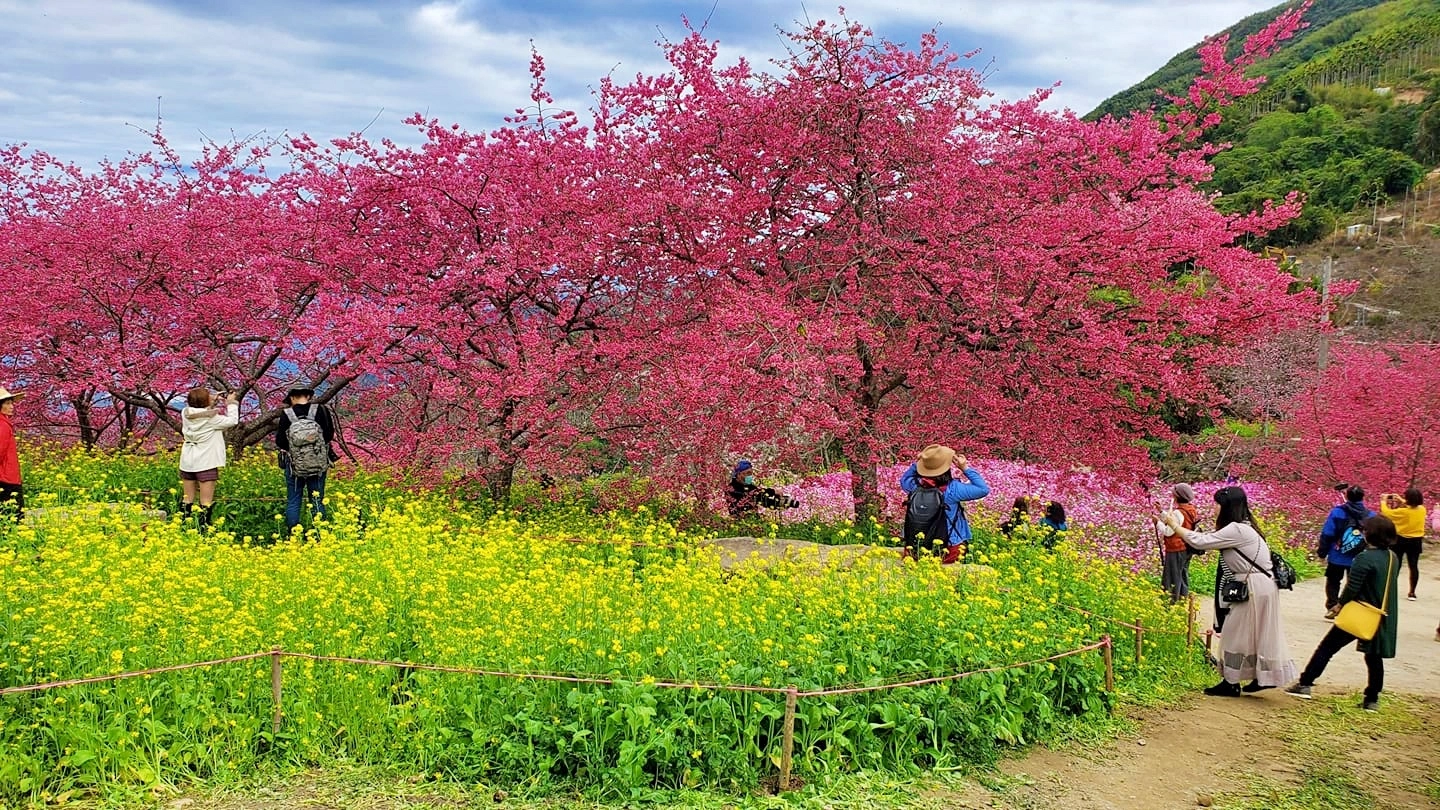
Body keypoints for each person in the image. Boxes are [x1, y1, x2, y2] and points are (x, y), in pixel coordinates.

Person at [1162, 485, 1297, 696]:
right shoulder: (1246, 526)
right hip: (1262, 586)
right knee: (1256, 634)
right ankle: (1262, 677)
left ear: (1227, 507)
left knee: (1234, 632)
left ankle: (1231, 682)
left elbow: (1201, 541)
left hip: (1253, 587)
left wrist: (1173, 525)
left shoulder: (1237, 529)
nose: (1214, 508)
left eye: (1217, 504)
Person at [1286, 515, 1401, 711]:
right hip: (1379, 614)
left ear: (1369, 534)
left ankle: (1305, 683)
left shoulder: (1364, 558)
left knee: (1327, 648)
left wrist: (1339, 605)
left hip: (1360, 612)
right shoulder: (1392, 557)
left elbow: (1352, 587)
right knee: (1373, 656)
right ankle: (1372, 699)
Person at [899, 445, 990, 564]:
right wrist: (964, 467)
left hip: (915, 550)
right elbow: (983, 489)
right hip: (947, 551)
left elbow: (904, 479)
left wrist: (923, 462)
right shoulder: (953, 490)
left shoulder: (914, 486)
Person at [179, 387, 240, 529]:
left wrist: (211, 401)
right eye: (209, 395)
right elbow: (232, 421)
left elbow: (199, 412)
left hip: (187, 461)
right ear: (205, 401)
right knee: (206, 501)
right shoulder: (212, 419)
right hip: (206, 462)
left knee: (187, 498)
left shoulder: (185, 413)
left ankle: (183, 526)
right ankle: (203, 527)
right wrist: (231, 404)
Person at [275, 387, 336, 531]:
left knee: (294, 500)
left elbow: (280, 442)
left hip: (295, 465)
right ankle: (320, 535)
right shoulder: (321, 410)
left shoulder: (286, 414)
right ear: (308, 396)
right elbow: (328, 435)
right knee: (317, 499)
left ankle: (294, 536)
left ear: (291, 398)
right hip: (318, 463)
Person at [1318, 486, 1375, 620]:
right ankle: (1349, 608)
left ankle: (1332, 606)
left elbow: (1327, 533)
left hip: (1337, 554)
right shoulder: (1371, 515)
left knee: (1333, 581)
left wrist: (1322, 552)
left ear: (1348, 497)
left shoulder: (1338, 512)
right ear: (1363, 497)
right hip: (1359, 556)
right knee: (1354, 583)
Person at [1156, 483, 1201, 603]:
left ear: (1176, 496)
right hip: (1186, 547)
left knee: (1172, 575)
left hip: (1176, 548)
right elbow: (1174, 521)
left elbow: (1168, 531)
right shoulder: (1191, 509)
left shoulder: (1178, 512)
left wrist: (1157, 523)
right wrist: (1161, 512)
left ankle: (1170, 601)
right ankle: (1182, 598)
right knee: (1182, 573)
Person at [1379, 487, 1425, 602]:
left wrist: (1383, 501)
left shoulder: (1403, 512)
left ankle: (1390, 590)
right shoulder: (1422, 509)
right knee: (1413, 566)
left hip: (1400, 540)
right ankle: (1412, 592)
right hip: (1416, 540)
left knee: (1396, 565)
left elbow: (1387, 513)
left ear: (1408, 499)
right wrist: (1401, 500)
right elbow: (1412, 506)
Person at [724, 460, 798, 518]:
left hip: (753, 519)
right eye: (747, 473)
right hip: (739, 521)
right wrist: (773, 492)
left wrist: (781, 502)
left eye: (751, 473)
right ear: (739, 474)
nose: (750, 476)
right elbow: (755, 496)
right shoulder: (731, 488)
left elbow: (761, 496)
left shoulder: (750, 486)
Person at [0, 387, 25, 521]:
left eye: (11, 403)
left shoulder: (4, 423)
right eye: (8, 403)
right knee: (14, 519)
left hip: (6, 477)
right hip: (6, 479)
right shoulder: (2, 425)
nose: (12, 406)